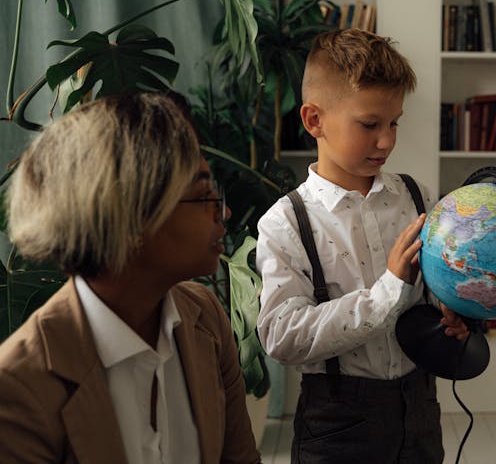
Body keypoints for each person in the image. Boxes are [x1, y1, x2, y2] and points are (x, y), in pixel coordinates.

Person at [0, 92, 262, 464]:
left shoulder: (204, 317)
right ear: (132, 217)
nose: (224, 211)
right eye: (203, 194)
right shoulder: (21, 386)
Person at [255, 28, 468, 463]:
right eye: (370, 125)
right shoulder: (285, 222)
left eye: (394, 123)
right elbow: (280, 337)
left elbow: (432, 292)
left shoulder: (419, 198)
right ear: (314, 120)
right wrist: (387, 289)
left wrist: (453, 311)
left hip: (420, 410)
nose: (387, 140)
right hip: (336, 428)